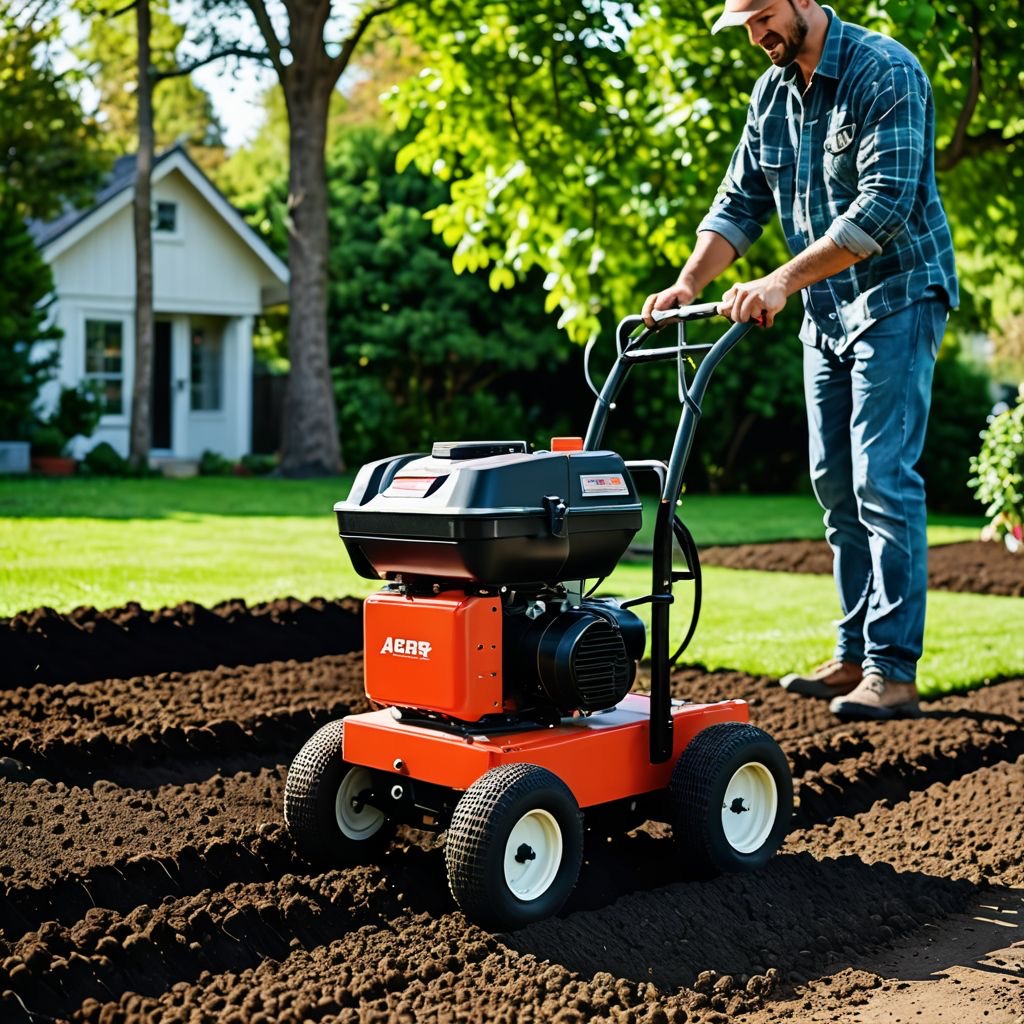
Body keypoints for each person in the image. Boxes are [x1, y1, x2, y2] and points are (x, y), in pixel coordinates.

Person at [642, 0, 957, 721]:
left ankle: (893, 670)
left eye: (762, 19)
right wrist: (692, 279)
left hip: (898, 295)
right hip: (825, 312)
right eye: (746, 26)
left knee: (883, 478)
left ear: (802, 1)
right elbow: (739, 201)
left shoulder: (885, 71)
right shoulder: (771, 94)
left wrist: (780, 280)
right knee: (834, 486)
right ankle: (852, 655)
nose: (757, 37)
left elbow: (885, 206)